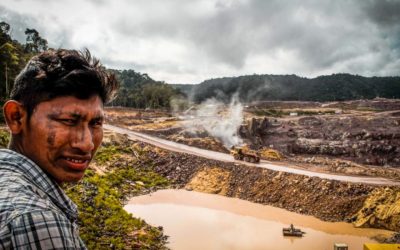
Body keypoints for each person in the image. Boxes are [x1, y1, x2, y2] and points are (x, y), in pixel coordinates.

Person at [0, 49, 118, 249]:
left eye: (96, 123)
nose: (87, 144)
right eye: (68, 121)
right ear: (16, 117)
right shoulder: (37, 220)